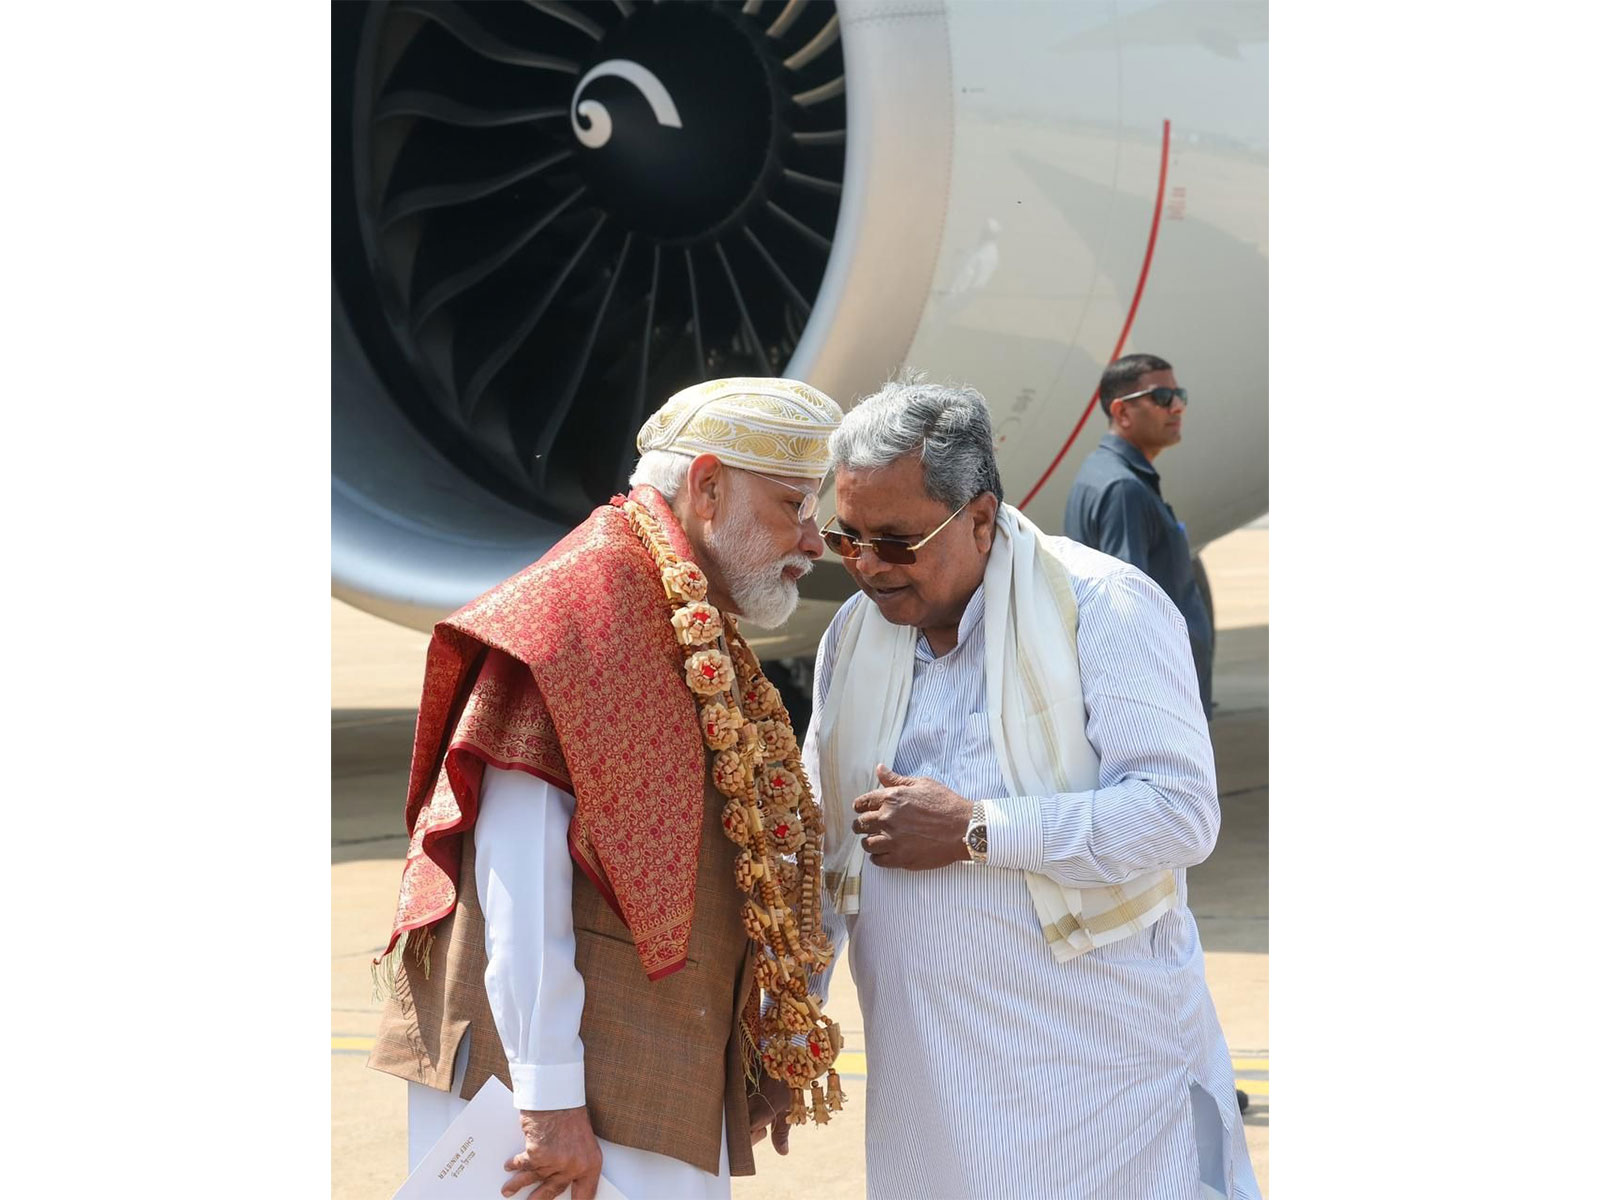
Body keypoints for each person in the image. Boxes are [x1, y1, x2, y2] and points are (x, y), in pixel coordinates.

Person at [368, 378, 852, 1200]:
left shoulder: (671, 602)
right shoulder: (584, 608)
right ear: (706, 488)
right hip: (550, 1088)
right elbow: (519, 871)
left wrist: (761, 1048)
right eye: (794, 505)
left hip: (643, 1068)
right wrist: (548, 1099)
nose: (814, 539)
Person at [804, 376, 1260, 1199]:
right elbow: (820, 848)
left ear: (979, 519)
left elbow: (1179, 812)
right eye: (849, 539)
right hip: (926, 1097)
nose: (867, 567)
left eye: (897, 542)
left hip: (1099, 1091)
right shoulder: (854, 639)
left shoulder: (1102, 609)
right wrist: (790, 1028)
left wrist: (979, 829)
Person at [1064, 353, 1214, 716]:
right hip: (1161, 699)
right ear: (1121, 412)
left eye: (1179, 396)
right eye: (1162, 398)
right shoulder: (1122, 488)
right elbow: (1127, 610)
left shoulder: (1104, 472)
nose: (1177, 407)